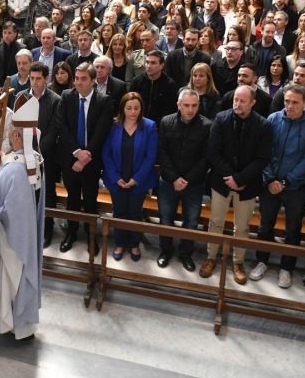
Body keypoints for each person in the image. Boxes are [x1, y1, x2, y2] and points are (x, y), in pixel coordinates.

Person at [249, 84, 305, 288]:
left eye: (295, 102)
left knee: (293, 229)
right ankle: (262, 261)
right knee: (265, 225)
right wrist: (271, 179)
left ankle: (287, 268)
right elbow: (264, 152)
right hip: (270, 184)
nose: (289, 106)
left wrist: (285, 181)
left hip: (295, 187)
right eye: (287, 101)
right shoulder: (273, 119)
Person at [200, 85, 273, 285]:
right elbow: (213, 152)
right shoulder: (221, 119)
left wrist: (240, 179)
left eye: (242, 101)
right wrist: (231, 177)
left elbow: (262, 158)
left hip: (247, 185)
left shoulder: (263, 125)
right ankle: (211, 257)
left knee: (242, 227)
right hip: (221, 182)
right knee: (216, 222)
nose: (237, 104)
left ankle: (238, 262)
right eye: (235, 100)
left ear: (252, 103)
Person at [0, 94, 45, 340]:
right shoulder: (35, 160)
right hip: (30, 231)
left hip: (13, 240)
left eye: (9, 133)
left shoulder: (15, 169)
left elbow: (10, 212)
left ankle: (15, 324)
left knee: (13, 279)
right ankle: (24, 326)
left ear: (17, 135)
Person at [55, 63, 114, 254]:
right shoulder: (66, 96)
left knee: (90, 200)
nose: (79, 82)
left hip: (91, 160)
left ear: (93, 80)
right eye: (77, 78)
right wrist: (76, 153)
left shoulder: (103, 100)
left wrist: (85, 156)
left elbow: (101, 132)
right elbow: (61, 127)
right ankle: (71, 233)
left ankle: (91, 237)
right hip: (70, 159)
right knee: (72, 199)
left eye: (83, 79)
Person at [156, 88, 212, 272]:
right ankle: (165, 251)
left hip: (194, 184)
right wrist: (174, 178)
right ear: (178, 105)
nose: (190, 110)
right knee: (165, 218)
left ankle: (185, 253)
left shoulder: (206, 126)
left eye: (194, 105)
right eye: (186, 105)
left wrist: (186, 179)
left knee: (191, 221)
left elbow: (206, 158)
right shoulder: (166, 122)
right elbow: (162, 153)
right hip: (168, 182)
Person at [103, 92, 158, 261]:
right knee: (119, 211)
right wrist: (114, 176)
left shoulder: (149, 126)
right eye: (129, 108)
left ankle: (134, 244)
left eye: (136, 108)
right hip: (117, 178)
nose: (133, 112)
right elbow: (106, 153)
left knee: (135, 212)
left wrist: (137, 178)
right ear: (123, 108)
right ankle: (120, 243)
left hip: (138, 180)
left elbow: (151, 156)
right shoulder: (113, 125)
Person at [16, 62, 61, 248]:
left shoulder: (54, 99)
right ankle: (27, 228)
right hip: (24, 154)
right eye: (32, 78)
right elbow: (17, 125)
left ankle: (46, 229)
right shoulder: (21, 97)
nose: (34, 82)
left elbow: (53, 130)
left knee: (46, 193)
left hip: (45, 156)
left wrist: (37, 152)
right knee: (26, 191)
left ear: (46, 79)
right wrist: (25, 150)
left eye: (38, 79)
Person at [129, 50, 178, 125]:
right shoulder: (137, 81)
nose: (149, 66)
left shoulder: (170, 85)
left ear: (161, 66)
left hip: (160, 126)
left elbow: (169, 110)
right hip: (138, 123)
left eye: (153, 63)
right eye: (147, 62)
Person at [0, 22, 26, 87]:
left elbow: (24, 70)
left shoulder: (22, 48)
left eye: (9, 33)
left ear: (15, 34)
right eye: (4, 32)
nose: (6, 36)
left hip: (16, 84)